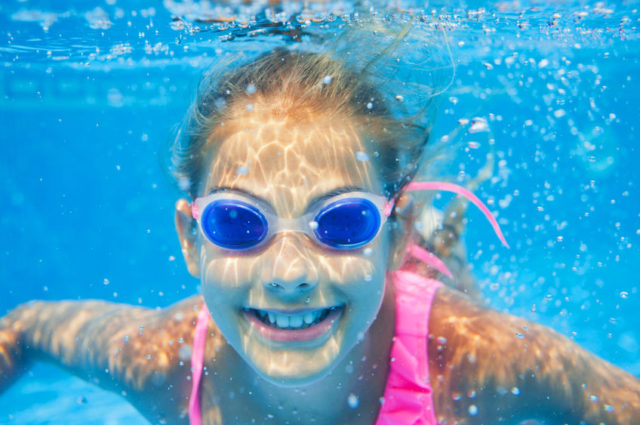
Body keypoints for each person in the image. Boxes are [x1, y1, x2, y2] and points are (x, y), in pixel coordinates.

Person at [1, 48, 639, 425]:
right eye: (238, 222)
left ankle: (435, 248)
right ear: (191, 239)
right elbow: (25, 328)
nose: (288, 271)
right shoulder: (159, 362)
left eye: (340, 221)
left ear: (391, 232)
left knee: (451, 290)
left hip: (423, 318)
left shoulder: (479, 364)